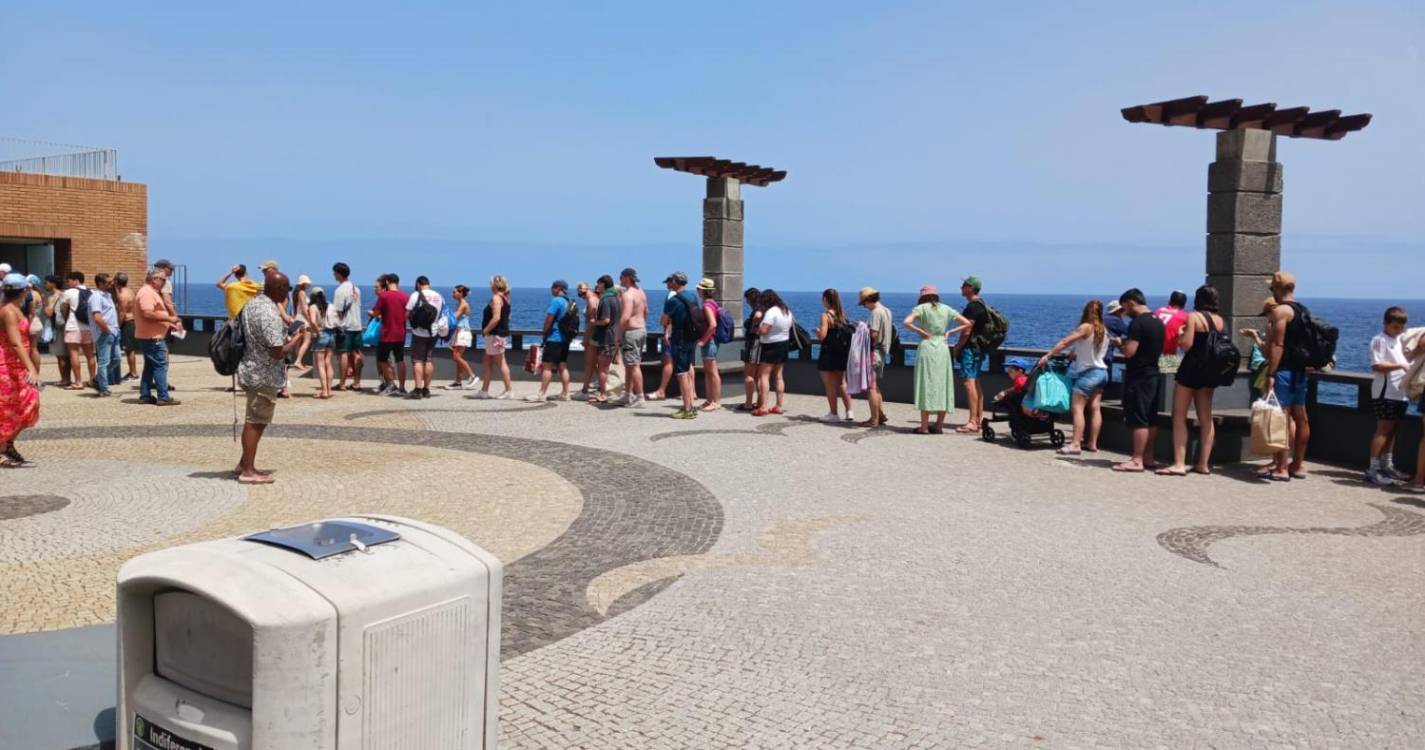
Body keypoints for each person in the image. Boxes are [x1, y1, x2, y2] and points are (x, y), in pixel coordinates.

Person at [235, 272, 308, 484]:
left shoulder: (252, 304)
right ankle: (247, 470)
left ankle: (244, 462)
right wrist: (296, 340)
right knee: (255, 422)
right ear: (277, 289)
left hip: (251, 368)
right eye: (286, 289)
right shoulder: (268, 312)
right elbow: (277, 351)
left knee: (254, 419)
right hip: (263, 373)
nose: (287, 294)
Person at [1157, 285, 1226, 476]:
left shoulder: (1194, 317)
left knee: (1179, 416)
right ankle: (1203, 463)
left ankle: (1179, 463)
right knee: (1206, 417)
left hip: (1191, 369)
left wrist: (1180, 334)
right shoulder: (1220, 320)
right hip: (1210, 372)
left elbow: (1186, 345)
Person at [1038, 299, 1109, 454]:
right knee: (1095, 408)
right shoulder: (1103, 330)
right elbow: (1091, 349)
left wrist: (1048, 355)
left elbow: (1065, 342)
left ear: (1086, 311)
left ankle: (1076, 443)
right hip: (1102, 372)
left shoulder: (1085, 327)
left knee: (1078, 408)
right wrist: (1074, 354)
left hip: (1088, 373)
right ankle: (1092, 443)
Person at [1262, 271, 1311, 481]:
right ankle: (1297, 465)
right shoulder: (1303, 310)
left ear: (1279, 289)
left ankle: (1281, 468)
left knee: (1281, 418)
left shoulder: (1281, 311)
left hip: (1284, 372)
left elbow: (1277, 345)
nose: (1272, 293)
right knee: (1301, 418)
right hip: (1300, 372)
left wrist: (1271, 373)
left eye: (1272, 289)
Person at [905, 285, 973, 434]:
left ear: (922, 297)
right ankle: (939, 425)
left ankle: (924, 426)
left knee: (926, 383)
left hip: (927, 346)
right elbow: (967, 323)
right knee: (943, 384)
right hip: (942, 346)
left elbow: (907, 322)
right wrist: (949, 332)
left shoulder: (921, 308)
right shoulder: (946, 308)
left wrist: (920, 331)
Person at [1111, 288, 1165, 472]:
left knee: (1139, 418)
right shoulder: (1158, 321)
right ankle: (1149, 457)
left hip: (1139, 375)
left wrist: (1119, 344)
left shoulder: (1137, 324)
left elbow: (1130, 352)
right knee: (1151, 417)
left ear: (1132, 302)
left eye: (1125, 307)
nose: (1125, 313)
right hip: (1154, 373)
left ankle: (1137, 459)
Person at [1365, 307, 1412, 486]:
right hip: (1385, 391)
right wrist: (1399, 366)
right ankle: (1373, 468)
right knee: (1383, 429)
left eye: (1401, 327)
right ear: (1386, 324)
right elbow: (1377, 365)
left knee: (1393, 430)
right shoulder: (1379, 340)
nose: (1398, 330)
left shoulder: (1402, 340)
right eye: (1394, 327)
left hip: (1401, 392)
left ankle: (1387, 465)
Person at [0, 273, 41, 468]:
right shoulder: (8, 310)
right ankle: (1, 450)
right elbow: (15, 343)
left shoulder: (16, 308)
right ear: (23, 290)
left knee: (30, 403)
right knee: (7, 409)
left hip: (17, 363)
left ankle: (7, 444)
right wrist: (31, 368)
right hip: (7, 365)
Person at [659, 272, 701, 419]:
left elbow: (663, 321)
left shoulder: (673, 300)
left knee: (682, 374)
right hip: (691, 338)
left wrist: (668, 321)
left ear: (676, 282)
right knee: (688, 371)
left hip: (680, 339)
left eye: (671, 281)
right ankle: (690, 406)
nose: (669, 284)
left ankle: (687, 409)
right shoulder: (693, 296)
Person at [135, 268, 181, 406]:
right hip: (153, 337)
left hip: (150, 336)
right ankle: (163, 396)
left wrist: (167, 322)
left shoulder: (148, 292)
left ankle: (145, 395)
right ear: (155, 279)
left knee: (149, 366)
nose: (165, 282)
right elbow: (148, 313)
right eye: (163, 280)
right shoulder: (147, 293)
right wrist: (169, 318)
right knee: (160, 366)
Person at [952, 276, 988, 434]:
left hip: (970, 349)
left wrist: (958, 347)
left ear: (971, 288)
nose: (961, 287)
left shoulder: (973, 307)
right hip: (979, 349)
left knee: (969, 382)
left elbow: (967, 330)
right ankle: (978, 419)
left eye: (964, 285)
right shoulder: (982, 305)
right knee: (976, 382)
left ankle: (973, 421)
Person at [529, 280, 575, 402]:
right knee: (563, 366)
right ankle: (566, 393)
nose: (551, 289)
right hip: (565, 339)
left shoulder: (556, 301)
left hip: (554, 337)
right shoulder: (568, 301)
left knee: (547, 366)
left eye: (552, 287)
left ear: (558, 288)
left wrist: (544, 333)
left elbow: (549, 319)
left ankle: (542, 394)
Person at [752, 289, 794, 417]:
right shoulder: (786, 311)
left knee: (764, 376)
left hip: (770, 345)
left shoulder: (771, 312)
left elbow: (764, 330)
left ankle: (763, 406)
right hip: (783, 344)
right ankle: (779, 405)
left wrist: (757, 329)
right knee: (779, 376)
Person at [815, 288, 855, 423]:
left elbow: (823, 336)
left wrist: (818, 332)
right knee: (843, 383)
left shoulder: (825, 316)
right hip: (842, 353)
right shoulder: (842, 315)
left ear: (826, 300)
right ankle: (849, 411)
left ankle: (833, 413)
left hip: (829, 352)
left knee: (830, 385)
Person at [474, 275, 515, 400]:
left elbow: (496, 317)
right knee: (487, 361)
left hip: (494, 335)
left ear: (494, 285)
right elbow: (507, 317)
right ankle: (484, 390)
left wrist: (486, 330)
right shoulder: (506, 299)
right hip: (498, 335)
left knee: (501, 362)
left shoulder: (496, 298)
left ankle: (508, 390)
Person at [404, 275, 444, 399]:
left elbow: (407, 312)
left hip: (419, 332)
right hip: (433, 332)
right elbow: (442, 313)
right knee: (429, 359)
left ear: (418, 284)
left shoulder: (415, 295)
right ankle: (427, 389)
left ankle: (418, 389)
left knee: (417, 360)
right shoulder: (439, 296)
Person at [859, 287, 893, 428]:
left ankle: (874, 419)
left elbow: (873, 334)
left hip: (874, 352)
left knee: (870, 387)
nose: (864, 307)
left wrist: (861, 330)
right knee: (875, 386)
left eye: (864, 304)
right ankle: (880, 414)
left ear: (868, 300)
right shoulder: (886, 310)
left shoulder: (876, 313)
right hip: (883, 352)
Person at [370, 273, 408, 396]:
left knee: (382, 360)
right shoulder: (405, 296)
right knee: (400, 360)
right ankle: (402, 387)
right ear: (398, 282)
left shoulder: (384, 296)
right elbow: (408, 314)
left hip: (387, 333)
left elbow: (376, 313)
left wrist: (375, 314)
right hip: (401, 333)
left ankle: (391, 384)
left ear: (386, 282)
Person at [59, 271, 97, 390]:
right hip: (88, 327)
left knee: (74, 353)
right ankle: (93, 379)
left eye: (68, 280)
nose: (67, 283)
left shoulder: (68, 292)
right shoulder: (91, 292)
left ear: (75, 280)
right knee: (90, 355)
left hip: (73, 326)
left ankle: (78, 382)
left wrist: (66, 318)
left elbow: (64, 310)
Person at [330, 262, 364, 392]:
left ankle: (342, 383)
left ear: (339, 274)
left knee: (343, 353)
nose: (334, 275)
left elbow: (338, 311)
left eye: (335, 273)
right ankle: (357, 382)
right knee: (357, 353)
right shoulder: (356, 289)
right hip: (357, 325)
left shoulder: (340, 290)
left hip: (345, 326)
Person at [617, 268, 649, 407]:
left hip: (631, 333)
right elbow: (646, 311)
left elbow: (625, 316)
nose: (620, 280)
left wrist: (618, 334)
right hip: (641, 330)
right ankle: (627, 394)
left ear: (627, 277)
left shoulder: (627, 295)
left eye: (621, 277)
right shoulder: (641, 292)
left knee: (634, 365)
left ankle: (640, 396)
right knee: (630, 365)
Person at [1238, 296, 1279, 402]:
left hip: (1274, 371)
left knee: (1271, 406)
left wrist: (1254, 336)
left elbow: (1266, 352)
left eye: (1266, 315)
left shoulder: (1272, 325)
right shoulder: (1290, 323)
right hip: (1294, 371)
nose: (1267, 318)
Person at [87, 273, 122, 397]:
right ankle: (103, 388)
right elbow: (97, 317)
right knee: (104, 361)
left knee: (117, 359)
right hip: (104, 333)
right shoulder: (96, 296)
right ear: (100, 283)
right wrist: (106, 330)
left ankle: (97, 379)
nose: (110, 284)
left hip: (114, 331)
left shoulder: (108, 295)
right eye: (108, 282)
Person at [589, 275, 622, 404]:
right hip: (615, 335)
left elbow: (606, 320)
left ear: (604, 284)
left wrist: (593, 321)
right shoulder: (616, 298)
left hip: (606, 336)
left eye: (599, 284)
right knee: (606, 366)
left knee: (603, 368)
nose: (597, 286)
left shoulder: (605, 299)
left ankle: (603, 394)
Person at [694, 278, 723, 412]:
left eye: (699, 289)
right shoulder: (713, 303)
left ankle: (715, 401)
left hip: (709, 342)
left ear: (702, 291)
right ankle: (710, 399)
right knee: (709, 372)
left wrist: (703, 341)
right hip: (712, 341)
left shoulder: (707, 305)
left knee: (712, 372)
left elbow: (712, 325)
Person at [648, 276, 679, 402]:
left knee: (668, 362)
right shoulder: (685, 295)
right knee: (687, 364)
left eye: (667, 282)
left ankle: (661, 390)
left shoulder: (671, 294)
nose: (666, 285)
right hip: (682, 335)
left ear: (672, 282)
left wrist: (667, 332)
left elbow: (670, 316)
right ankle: (691, 392)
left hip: (671, 334)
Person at [445, 285, 479, 390]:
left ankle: (472, 376)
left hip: (463, 333)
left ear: (461, 293)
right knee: (458, 357)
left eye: (454, 292)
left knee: (456, 356)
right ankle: (458, 382)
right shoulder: (460, 303)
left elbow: (454, 317)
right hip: (459, 332)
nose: (453, 294)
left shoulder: (463, 304)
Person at [306, 287, 335, 398]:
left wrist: (317, 333)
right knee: (328, 362)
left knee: (321, 364)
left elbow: (313, 321)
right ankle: (330, 390)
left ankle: (324, 391)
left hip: (321, 335)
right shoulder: (328, 305)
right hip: (331, 335)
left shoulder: (313, 307)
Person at [43, 275, 71, 387]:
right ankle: (68, 378)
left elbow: (49, 313)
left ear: (53, 284)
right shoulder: (65, 294)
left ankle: (64, 379)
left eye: (46, 283)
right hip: (67, 326)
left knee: (60, 355)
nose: (45, 285)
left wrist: (45, 305)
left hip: (58, 328)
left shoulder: (52, 297)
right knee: (67, 355)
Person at [1153, 290, 1190, 374]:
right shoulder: (1184, 316)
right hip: (1168, 358)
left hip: (1151, 356)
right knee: (1170, 384)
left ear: (1170, 301)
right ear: (1184, 304)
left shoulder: (1158, 311)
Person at [739, 287, 763, 412]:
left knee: (749, 375)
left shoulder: (758, 311)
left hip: (754, 344)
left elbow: (758, 316)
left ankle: (748, 403)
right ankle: (760, 402)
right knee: (759, 376)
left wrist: (753, 326)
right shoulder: (766, 309)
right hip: (762, 345)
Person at [574, 281, 599, 399]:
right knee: (594, 362)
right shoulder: (594, 298)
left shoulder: (592, 300)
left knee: (589, 362)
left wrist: (585, 338)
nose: (582, 296)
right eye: (580, 295)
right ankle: (601, 384)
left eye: (582, 293)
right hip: (593, 334)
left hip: (592, 335)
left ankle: (585, 390)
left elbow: (591, 322)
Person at [115, 272, 138, 381]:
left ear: (117, 282)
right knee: (130, 349)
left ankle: (133, 373)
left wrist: (117, 326)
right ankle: (132, 372)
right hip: (133, 320)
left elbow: (122, 313)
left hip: (127, 323)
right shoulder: (131, 291)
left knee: (129, 349)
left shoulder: (122, 295)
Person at [290, 274, 314, 372]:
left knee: (298, 342)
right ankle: (298, 361)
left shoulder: (296, 292)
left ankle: (299, 361)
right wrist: (310, 320)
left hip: (298, 318)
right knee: (306, 341)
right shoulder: (302, 293)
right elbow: (304, 309)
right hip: (303, 319)